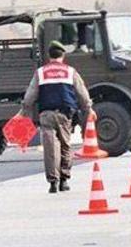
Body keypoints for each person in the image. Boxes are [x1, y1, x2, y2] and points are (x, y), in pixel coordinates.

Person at [21, 40, 92, 194]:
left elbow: (29, 97)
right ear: (63, 55)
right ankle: (64, 180)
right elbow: (82, 94)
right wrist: (88, 109)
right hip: (64, 114)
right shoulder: (70, 71)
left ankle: (53, 182)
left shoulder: (40, 72)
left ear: (49, 56)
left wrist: (24, 111)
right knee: (66, 146)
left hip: (46, 114)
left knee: (50, 148)